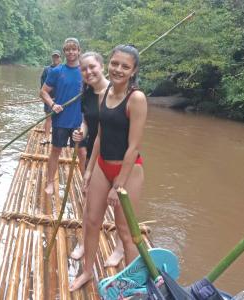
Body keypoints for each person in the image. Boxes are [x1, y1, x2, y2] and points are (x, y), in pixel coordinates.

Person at [69, 44, 148, 292]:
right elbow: (100, 137)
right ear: (109, 64)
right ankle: (87, 272)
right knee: (91, 221)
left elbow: (133, 147)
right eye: (115, 63)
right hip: (102, 165)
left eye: (125, 66)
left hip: (128, 170)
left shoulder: (136, 98)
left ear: (133, 70)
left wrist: (119, 185)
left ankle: (130, 285)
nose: (118, 69)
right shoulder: (103, 94)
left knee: (126, 232)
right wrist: (90, 169)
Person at [70, 51, 124, 268]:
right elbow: (87, 122)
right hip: (94, 153)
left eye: (92, 67)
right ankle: (85, 242)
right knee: (89, 201)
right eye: (84, 69)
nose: (88, 72)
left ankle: (120, 248)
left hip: (118, 155)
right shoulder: (87, 94)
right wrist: (80, 132)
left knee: (120, 204)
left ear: (101, 65)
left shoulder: (117, 90)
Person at [40, 37, 87, 195]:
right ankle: (50, 182)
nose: (71, 52)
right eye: (68, 49)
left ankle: (85, 184)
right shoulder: (56, 71)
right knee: (56, 150)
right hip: (60, 120)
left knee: (82, 153)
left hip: (79, 121)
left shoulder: (85, 71)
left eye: (74, 49)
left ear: (79, 51)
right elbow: (43, 92)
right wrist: (52, 105)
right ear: (64, 52)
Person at [40, 50, 62, 145]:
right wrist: (44, 97)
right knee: (48, 118)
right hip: (49, 98)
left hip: (60, 98)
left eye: (57, 57)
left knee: (61, 118)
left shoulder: (63, 69)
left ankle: (60, 138)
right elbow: (42, 84)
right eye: (54, 57)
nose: (55, 59)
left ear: (60, 58)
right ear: (52, 58)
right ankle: (46, 138)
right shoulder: (47, 69)